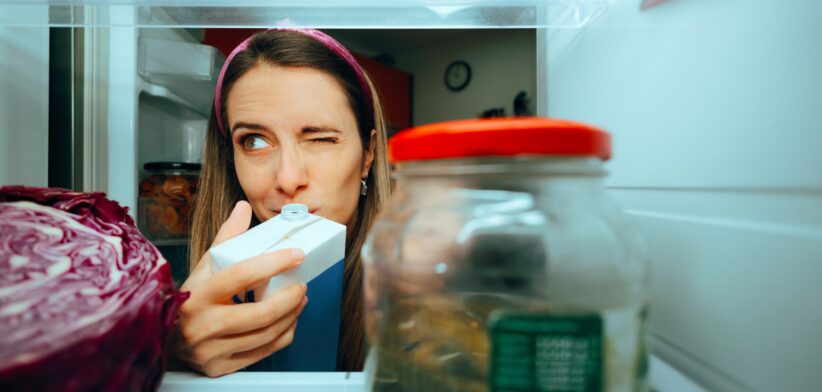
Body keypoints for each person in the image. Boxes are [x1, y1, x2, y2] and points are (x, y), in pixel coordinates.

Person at [169, 28, 391, 377]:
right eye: (254, 141)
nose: (288, 179)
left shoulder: (419, 300)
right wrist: (172, 355)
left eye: (320, 138)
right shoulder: (190, 305)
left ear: (368, 154)